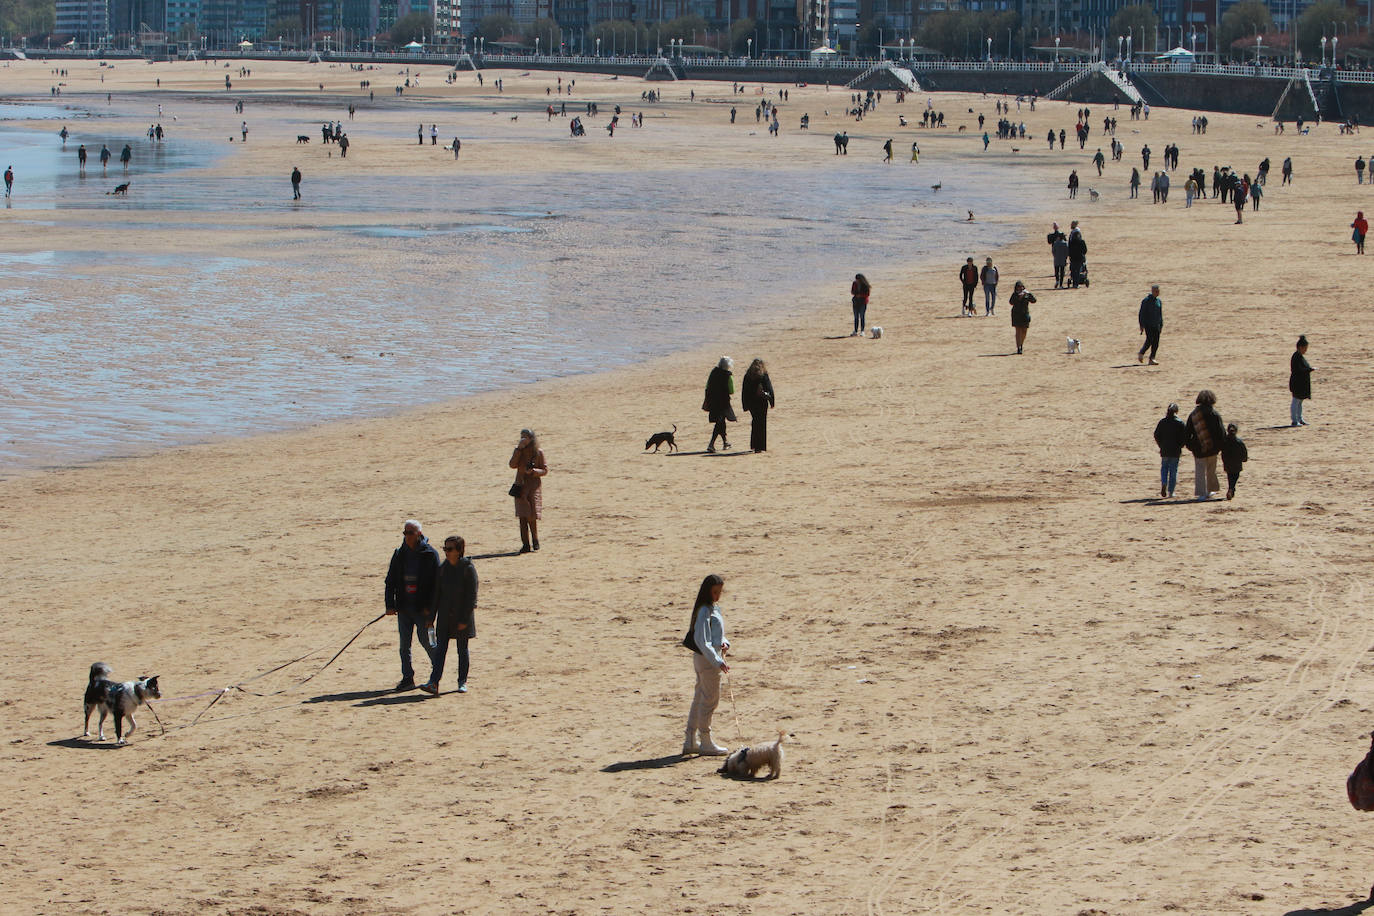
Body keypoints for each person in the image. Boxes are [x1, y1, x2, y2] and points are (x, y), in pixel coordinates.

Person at [384, 519, 441, 690]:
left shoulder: (430, 554)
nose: (407, 536)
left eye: (410, 533)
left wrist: (431, 609)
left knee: (428, 642)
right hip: (403, 608)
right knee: (404, 646)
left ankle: (437, 674)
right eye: (405, 533)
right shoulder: (399, 553)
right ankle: (408, 678)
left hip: (422, 610)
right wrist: (390, 604)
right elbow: (390, 580)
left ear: (419, 534)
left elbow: (436, 586)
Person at [420, 535, 478, 695]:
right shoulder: (442, 569)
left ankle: (462, 681)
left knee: (462, 650)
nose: (446, 552)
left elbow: (472, 598)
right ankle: (434, 682)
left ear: (459, 551)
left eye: (450, 549)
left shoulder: (468, 569)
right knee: (440, 650)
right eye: (445, 548)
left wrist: (465, 619)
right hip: (445, 617)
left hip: (461, 617)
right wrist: (431, 618)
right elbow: (436, 595)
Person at [682, 574, 730, 757]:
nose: (717, 596)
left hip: (705, 658)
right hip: (707, 660)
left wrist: (725, 643)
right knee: (710, 700)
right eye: (715, 592)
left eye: (720, 592)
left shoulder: (711, 609)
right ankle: (705, 741)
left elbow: (716, 635)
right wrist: (718, 661)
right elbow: (702, 641)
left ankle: (691, 739)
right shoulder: (704, 611)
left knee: (699, 697)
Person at [509, 429, 548, 553]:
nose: (523, 439)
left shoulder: (538, 453)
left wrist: (534, 472)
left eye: (525, 437)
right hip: (520, 486)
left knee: (532, 516)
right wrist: (518, 449)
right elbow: (512, 464)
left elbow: (545, 470)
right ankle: (525, 544)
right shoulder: (519, 452)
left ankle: (535, 541)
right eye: (522, 437)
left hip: (533, 486)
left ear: (531, 439)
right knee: (522, 516)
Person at [1184, 390, 1225, 501]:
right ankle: (1211, 490)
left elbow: (1187, 433)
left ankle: (1201, 493)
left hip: (1198, 449)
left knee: (1200, 471)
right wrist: (1220, 446)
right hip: (1213, 448)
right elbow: (1221, 432)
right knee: (1211, 470)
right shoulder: (1215, 414)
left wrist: (1190, 446)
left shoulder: (1194, 414)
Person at [740, 358, 775, 453]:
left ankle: (754, 445)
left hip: (751, 403)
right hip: (761, 402)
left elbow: (744, 392)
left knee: (755, 422)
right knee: (762, 423)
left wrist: (745, 405)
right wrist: (772, 401)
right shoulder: (763, 375)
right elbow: (769, 388)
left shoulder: (747, 376)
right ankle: (761, 446)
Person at [703, 357, 736, 453]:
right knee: (719, 422)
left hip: (712, 401)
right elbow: (731, 391)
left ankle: (725, 442)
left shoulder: (713, 373)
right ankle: (711, 444)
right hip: (723, 402)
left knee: (721, 422)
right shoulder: (728, 375)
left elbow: (707, 386)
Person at [1153, 403, 1186, 498]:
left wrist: (1161, 445)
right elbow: (1184, 437)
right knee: (1173, 471)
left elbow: (1156, 434)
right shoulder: (1180, 423)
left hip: (1165, 449)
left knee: (1164, 468)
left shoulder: (1162, 422)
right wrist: (1180, 445)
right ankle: (1171, 491)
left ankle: (1164, 483)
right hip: (1175, 450)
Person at [1221, 424, 1248, 500]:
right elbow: (1244, 452)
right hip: (1237, 463)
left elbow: (1222, 450)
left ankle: (1231, 488)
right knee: (1235, 476)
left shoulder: (1225, 441)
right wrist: (1244, 459)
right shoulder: (1239, 442)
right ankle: (1231, 489)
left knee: (1230, 477)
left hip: (1228, 462)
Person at [1289, 335, 1312, 426]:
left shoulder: (1299, 356)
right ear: (1300, 347)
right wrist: (1309, 369)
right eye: (1305, 348)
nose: (1306, 350)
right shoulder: (1296, 357)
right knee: (1296, 401)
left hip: (1300, 383)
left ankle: (1299, 418)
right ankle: (1295, 420)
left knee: (1300, 401)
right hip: (1296, 383)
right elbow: (1298, 370)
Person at [1137, 284, 1163, 365]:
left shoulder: (1158, 301)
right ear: (1152, 291)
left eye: (1158, 291)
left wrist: (1161, 324)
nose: (1157, 292)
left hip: (1157, 324)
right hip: (1148, 324)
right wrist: (1141, 325)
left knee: (1156, 342)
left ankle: (1152, 358)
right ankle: (1141, 353)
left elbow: (1160, 314)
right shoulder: (1146, 301)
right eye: (1156, 291)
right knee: (1149, 340)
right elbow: (1141, 313)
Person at [1008, 280, 1034, 354]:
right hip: (1016, 314)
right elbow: (1011, 302)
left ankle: (1021, 343)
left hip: (1025, 314)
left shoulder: (1026, 294)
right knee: (1018, 331)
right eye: (1018, 287)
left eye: (1021, 287)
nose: (1020, 289)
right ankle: (1019, 347)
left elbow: (1034, 300)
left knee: (1024, 331)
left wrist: (1029, 294)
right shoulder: (1015, 295)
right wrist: (1019, 297)